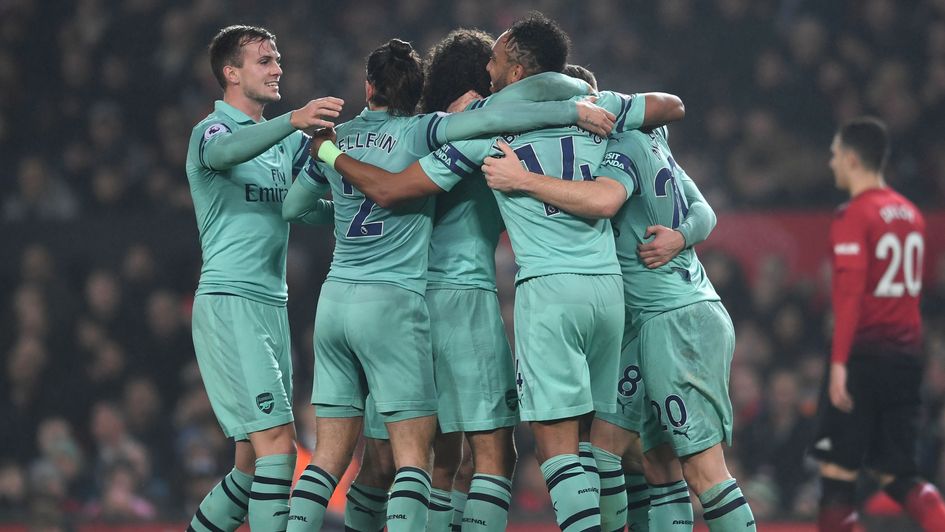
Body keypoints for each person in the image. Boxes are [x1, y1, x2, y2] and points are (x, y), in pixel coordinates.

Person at [308, 13, 684, 531]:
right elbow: (669, 106)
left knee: (401, 460)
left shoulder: (435, 130)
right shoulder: (538, 116)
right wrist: (577, 107)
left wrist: (330, 161)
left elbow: (356, 195)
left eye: (497, 60)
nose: (491, 69)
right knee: (502, 455)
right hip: (482, 297)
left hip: (401, 299)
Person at [484, 118, 756, 530]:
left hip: (675, 318)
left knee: (704, 470)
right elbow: (703, 210)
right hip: (646, 323)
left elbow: (606, 200)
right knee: (622, 450)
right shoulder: (653, 140)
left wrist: (522, 179)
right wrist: (683, 235)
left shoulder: (621, 145)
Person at [183, 24, 343, 532]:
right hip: (230, 301)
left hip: (273, 304)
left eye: (278, 59)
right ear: (231, 73)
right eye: (265, 60)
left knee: (251, 465)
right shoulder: (211, 131)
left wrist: (346, 210)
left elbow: (301, 208)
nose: (278, 69)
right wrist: (294, 120)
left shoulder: (285, 142)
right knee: (278, 446)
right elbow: (223, 155)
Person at [811, 117, 945, 532]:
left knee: (837, 476)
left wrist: (839, 364)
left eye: (835, 154)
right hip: (906, 358)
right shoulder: (912, 215)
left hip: (861, 358)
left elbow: (849, 296)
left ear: (852, 159)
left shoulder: (853, 215)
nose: (831, 162)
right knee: (897, 473)